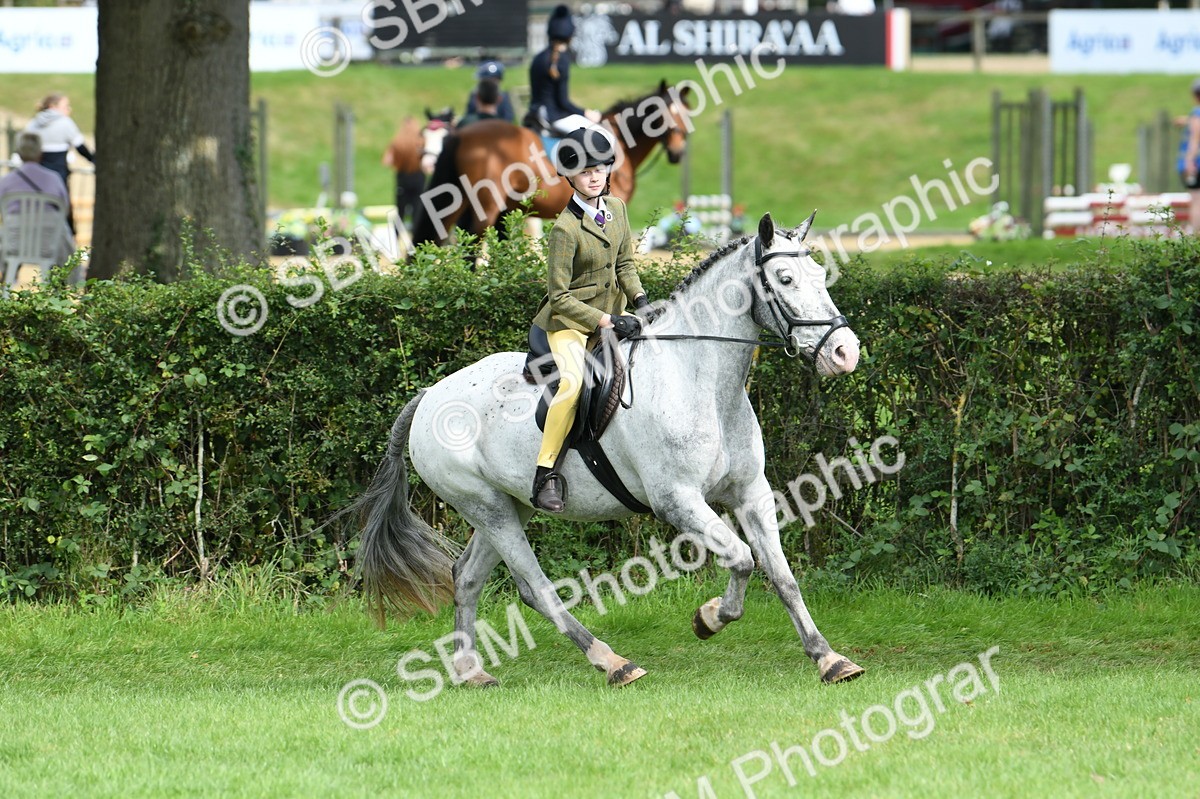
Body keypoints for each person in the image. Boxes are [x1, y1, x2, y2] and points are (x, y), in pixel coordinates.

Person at [530, 127, 649, 512]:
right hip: (568, 322)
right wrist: (604, 321)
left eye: (599, 168)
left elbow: (625, 263)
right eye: (585, 172)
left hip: (612, 311)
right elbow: (559, 296)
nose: (594, 176)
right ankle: (545, 473)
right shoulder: (564, 230)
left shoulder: (618, 210)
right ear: (570, 178)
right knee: (572, 383)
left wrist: (641, 300)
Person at [0, 132, 78, 279]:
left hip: (14, 244)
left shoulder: (6, 181)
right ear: (40, 152)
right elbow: (65, 207)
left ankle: (6, 281)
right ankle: (64, 288)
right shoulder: (54, 178)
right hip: (50, 246)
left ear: (19, 152)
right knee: (65, 241)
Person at [526, 5, 601, 136]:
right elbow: (563, 102)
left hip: (534, 114)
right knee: (601, 134)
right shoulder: (562, 60)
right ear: (570, 35)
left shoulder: (538, 57)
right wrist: (586, 113)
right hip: (553, 117)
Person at [23, 94, 94, 232]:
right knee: (62, 214)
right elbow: (80, 146)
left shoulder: (33, 123)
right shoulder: (65, 122)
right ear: (52, 107)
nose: (69, 109)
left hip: (35, 180)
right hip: (58, 177)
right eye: (66, 106)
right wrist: (93, 159)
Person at [1179, 77, 1200, 234]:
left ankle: (1196, 235)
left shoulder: (1197, 113)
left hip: (1197, 163)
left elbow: (1195, 138)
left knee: (1196, 200)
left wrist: (1189, 160)